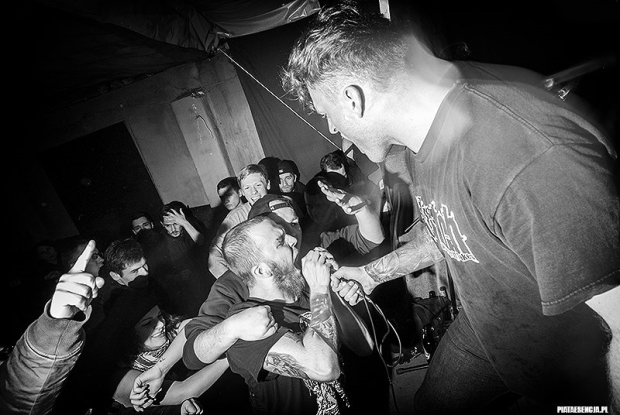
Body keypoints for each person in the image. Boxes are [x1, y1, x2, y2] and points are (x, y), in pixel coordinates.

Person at [282, 2, 619, 413]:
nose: (333, 129)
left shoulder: (522, 154)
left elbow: (618, 318)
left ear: (352, 99)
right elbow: (452, 232)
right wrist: (370, 274)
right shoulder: (421, 144)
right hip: (486, 331)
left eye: (327, 115)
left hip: (571, 370)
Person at [220, 215, 347, 415]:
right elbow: (325, 369)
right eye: (280, 242)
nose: (293, 239)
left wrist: (335, 291)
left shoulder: (308, 292)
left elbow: (363, 346)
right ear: (262, 271)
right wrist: (319, 288)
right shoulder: (246, 323)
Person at [0, 240, 104, 415]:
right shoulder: (44, 279)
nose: (101, 259)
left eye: (49, 249)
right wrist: (57, 322)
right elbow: (18, 392)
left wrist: (57, 320)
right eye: (94, 256)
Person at [107, 304, 228, 413]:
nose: (160, 324)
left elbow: (201, 323)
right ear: (127, 335)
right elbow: (185, 391)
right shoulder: (120, 377)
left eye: (159, 315)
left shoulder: (171, 331)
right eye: (147, 323)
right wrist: (229, 353)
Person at [208, 164, 271, 278]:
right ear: (242, 192)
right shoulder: (235, 217)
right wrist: (235, 282)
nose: (254, 192)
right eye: (247, 188)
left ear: (268, 184)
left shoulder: (285, 204)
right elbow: (215, 254)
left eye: (258, 185)